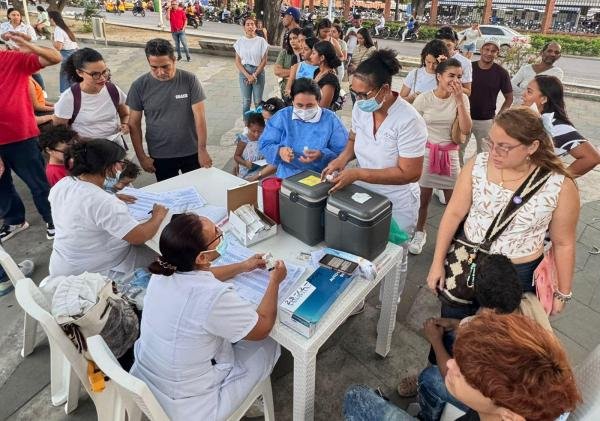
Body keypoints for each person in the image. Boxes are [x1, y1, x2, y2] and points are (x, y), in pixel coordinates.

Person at [427, 107, 579, 319]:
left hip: (517, 275)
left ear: (532, 147)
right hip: (467, 261)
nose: (494, 152)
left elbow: (564, 243)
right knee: (452, 325)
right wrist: (437, 263)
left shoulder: (559, 185)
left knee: (497, 341)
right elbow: (453, 213)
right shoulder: (478, 164)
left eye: (504, 147)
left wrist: (562, 293)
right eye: (491, 143)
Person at [130, 214, 286, 420]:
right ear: (201, 257)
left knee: (222, 333)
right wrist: (275, 281)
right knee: (269, 343)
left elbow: (203, 276)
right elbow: (263, 326)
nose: (222, 234)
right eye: (217, 234)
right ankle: (248, 398)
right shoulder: (211, 296)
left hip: (147, 381)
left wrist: (242, 266)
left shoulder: (164, 270)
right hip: (192, 407)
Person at [344, 312, 581, 421]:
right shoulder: (543, 390)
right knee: (430, 377)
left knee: (356, 397)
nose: (451, 364)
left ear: (509, 416)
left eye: (465, 374)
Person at [398, 254, 524, 413]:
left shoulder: (492, 342)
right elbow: (477, 324)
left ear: (487, 309)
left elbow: (456, 380)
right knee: (452, 335)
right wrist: (455, 324)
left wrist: (436, 341)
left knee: (429, 378)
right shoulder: (521, 307)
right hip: (516, 395)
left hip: (498, 408)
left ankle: (427, 415)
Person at [49, 139, 168, 279]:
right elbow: (139, 236)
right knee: (167, 259)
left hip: (65, 262)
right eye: (120, 163)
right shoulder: (104, 202)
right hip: (97, 271)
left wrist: (111, 197)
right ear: (107, 167)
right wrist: (157, 216)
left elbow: (79, 208)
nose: (121, 168)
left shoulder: (64, 184)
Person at [0, 33, 61, 242]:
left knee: (37, 182)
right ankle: (14, 220)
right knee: (1, 185)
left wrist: (30, 46)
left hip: (21, 138)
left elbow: (54, 57)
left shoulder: (11, 59)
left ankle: (53, 219)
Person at [408, 58, 472, 255]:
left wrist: (460, 100)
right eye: (451, 76)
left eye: (459, 77)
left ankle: (452, 237)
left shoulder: (462, 99)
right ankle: (420, 231)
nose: (455, 80)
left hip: (450, 154)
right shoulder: (424, 99)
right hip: (426, 154)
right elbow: (411, 126)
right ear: (439, 77)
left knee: (454, 203)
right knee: (422, 200)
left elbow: (467, 128)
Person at [128, 39, 212, 181]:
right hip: (160, 154)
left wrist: (202, 150)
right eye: (154, 67)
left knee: (198, 189)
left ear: (174, 60)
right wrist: (142, 157)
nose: (160, 72)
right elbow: (134, 124)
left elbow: (200, 117)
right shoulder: (139, 86)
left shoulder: (189, 80)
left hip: (191, 151)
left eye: (165, 66)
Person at [259, 78, 348, 179]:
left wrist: (322, 155)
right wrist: (279, 151)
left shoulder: (331, 120)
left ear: (319, 101)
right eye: (299, 105)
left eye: (310, 105)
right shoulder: (283, 117)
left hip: (320, 176)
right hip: (287, 176)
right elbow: (265, 144)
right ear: (292, 101)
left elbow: (344, 153)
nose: (304, 110)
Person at [522, 75, 600, 177]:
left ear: (544, 99)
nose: (523, 94)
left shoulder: (556, 126)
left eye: (529, 91)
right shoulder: (531, 118)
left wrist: (559, 181)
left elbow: (592, 158)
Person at [52, 48, 130, 145]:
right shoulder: (69, 97)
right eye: (95, 74)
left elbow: (125, 114)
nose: (102, 78)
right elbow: (59, 128)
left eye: (104, 72)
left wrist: (125, 124)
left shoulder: (113, 90)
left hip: (114, 145)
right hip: (86, 149)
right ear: (80, 73)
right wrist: (77, 139)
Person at [461, 38, 513, 165]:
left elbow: (509, 98)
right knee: (458, 150)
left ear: (497, 53)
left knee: (484, 154)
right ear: (481, 49)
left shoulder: (501, 73)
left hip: (486, 120)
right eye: (487, 49)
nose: (489, 53)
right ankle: (459, 180)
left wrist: (499, 117)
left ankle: (479, 180)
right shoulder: (468, 68)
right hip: (464, 117)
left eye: (493, 51)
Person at [234, 17, 270, 120]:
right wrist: (247, 75)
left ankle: (259, 125)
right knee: (246, 101)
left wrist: (254, 75)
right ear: (244, 27)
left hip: (258, 72)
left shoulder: (261, 41)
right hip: (244, 73)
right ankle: (247, 125)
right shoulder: (239, 42)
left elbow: (264, 61)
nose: (250, 26)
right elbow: (237, 61)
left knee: (258, 101)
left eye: (252, 24)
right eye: (248, 24)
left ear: (255, 27)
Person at [512, 42, 563, 106]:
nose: (552, 54)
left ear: (558, 56)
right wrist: (527, 93)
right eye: (549, 51)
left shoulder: (557, 73)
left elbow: (550, 94)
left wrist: (524, 93)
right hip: (517, 107)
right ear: (541, 53)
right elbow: (511, 85)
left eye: (556, 52)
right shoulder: (526, 68)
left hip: (538, 111)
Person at [400, 39, 449, 104]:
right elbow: (400, 100)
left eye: (435, 63)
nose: (430, 66)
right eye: (428, 62)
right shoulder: (415, 74)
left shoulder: (447, 76)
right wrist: (411, 98)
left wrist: (444, 67)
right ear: (423, 58)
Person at [234, 113, 275, 181]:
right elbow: (236, 156)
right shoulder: (244, 140)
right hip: (247, 172)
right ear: (248, 127)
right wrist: (245, 163)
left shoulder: (265, 138)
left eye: (260, 131)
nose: (256, 134)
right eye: (253, 131)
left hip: (262, 171)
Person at [435, 26, 472, 96]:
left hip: (453, 102)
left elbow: (468, 92)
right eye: (441, 45)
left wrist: (452, 84)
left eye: (448, 45)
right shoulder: (432, 59)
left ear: (455, 43)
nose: (444, 49)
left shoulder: (465, 62)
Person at [48, 11, 78, 94]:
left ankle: (65, 94)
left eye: (49, 19)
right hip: (74, 52)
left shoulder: (58, 30)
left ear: (52, 19)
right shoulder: (65, 28)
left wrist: (52, 40)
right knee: (72, 75)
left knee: (65, 76)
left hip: (67, 54)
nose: (49, 21)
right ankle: (74, 93)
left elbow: (58, 47)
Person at [310, 41, 341, 110]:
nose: (310, 56)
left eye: (313, 53)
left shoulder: (330, 80)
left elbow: (323, 107)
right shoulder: (317, 71)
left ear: (322, 58)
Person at [274, 27, 302, 98]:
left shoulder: (306, 53)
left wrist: (287, 74)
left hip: (303, 90)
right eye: (290, 39)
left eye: (295, 38)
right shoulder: (284, 53)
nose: (292, 41)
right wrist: (297, 72)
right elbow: (277, 71)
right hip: (286, 89)